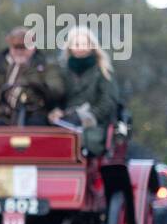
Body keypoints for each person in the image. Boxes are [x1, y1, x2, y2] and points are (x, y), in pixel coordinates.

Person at [0, 26, 66, 125]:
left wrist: (38, 86)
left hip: (34, 115)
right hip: (1, 117)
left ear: (33, 47)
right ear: (10, 47)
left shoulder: (46, 68)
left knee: (37, 125)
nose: (20, 51)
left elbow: (57, 90)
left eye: (24, 47)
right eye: (16, 47)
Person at [49, 25, 120, 154]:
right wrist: (56, 110)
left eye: (84, 44)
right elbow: (57, 96)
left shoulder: (103, 71)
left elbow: (108, 101)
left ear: (91, 46)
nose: (80, 48)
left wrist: (89, 116)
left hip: (94, 124)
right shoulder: (62, 71)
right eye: (76, 44)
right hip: (65, 120)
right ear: (69, 47)